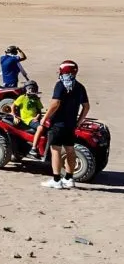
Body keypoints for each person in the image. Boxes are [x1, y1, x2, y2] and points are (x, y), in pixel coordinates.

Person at [39, 60, 90, 189]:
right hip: (71, 124)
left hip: (58, 124)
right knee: (70, 150)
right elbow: (86, 106)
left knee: (55, 149)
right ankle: (69, 178)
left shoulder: (60, 85)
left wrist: (45, 117)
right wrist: (79, 121)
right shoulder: (79, 87)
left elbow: (55, 103)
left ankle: (56, 180)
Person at [11, 81, 44, 157]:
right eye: (29, 88)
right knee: (40, 128)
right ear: (25, 89)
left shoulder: (36, 99)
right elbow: (13, 106)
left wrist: (37, 117)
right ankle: (33, 148)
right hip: (27, 119)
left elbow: (39, 111)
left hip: (34, 119)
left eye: (33, 88)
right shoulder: (22, 98)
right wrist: (14, 116)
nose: (31, 90)